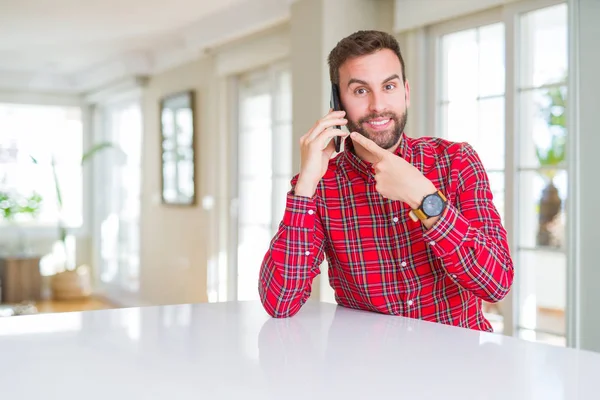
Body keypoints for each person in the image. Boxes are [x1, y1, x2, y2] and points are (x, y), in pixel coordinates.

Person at [258, 30, 514, 331]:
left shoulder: (456, 161)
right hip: (369, 372)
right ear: (337, 102)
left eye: (388, 86)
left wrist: (423, 197)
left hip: (459, 367)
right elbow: (280, 303)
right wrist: (305, 186)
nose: (378, 105)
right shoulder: (321, 185)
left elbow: (496, 284)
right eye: (360, 91)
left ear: (405, 91)